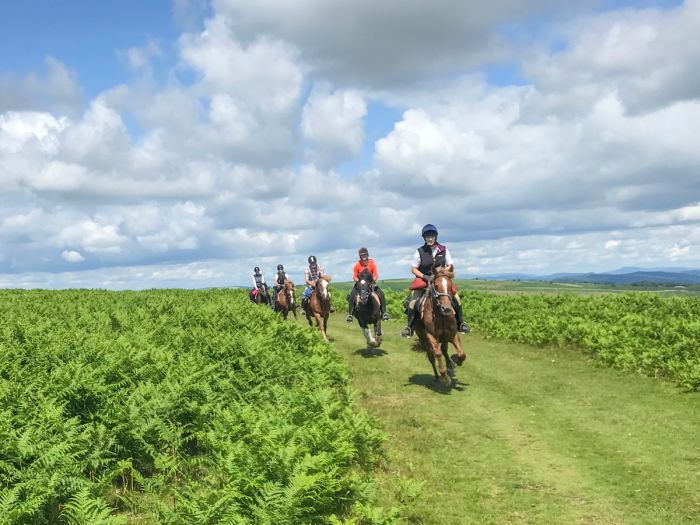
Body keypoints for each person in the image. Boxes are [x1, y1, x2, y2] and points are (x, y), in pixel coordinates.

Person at [401, 224, 470, 337]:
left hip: (440, 280)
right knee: (413, 302)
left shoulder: (444, 250)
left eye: (432, 236)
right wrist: (424, 276)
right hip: (425, 281)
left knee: (456, 298)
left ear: (435, 237)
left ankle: (461, 323)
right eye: (428, 236)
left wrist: (442, 273)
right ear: (424, 238)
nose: (430, 239)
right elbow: (414, 269)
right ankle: (409, 327)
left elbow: (450, 265)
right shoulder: (419, 251)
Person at [346, 247, 391, 323]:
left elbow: (376, 274)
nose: (364, 257)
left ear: (367, 255)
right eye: (362, 255)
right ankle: (350, 314)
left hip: (370, 283)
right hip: (360, 284)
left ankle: (384, 313)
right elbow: (354, 276)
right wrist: (359, 281)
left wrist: (372, 281)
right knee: (352, 295)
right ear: (360, 256)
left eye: (365, 255)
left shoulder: (372, 264)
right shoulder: (357, 265)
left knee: (381, 294)